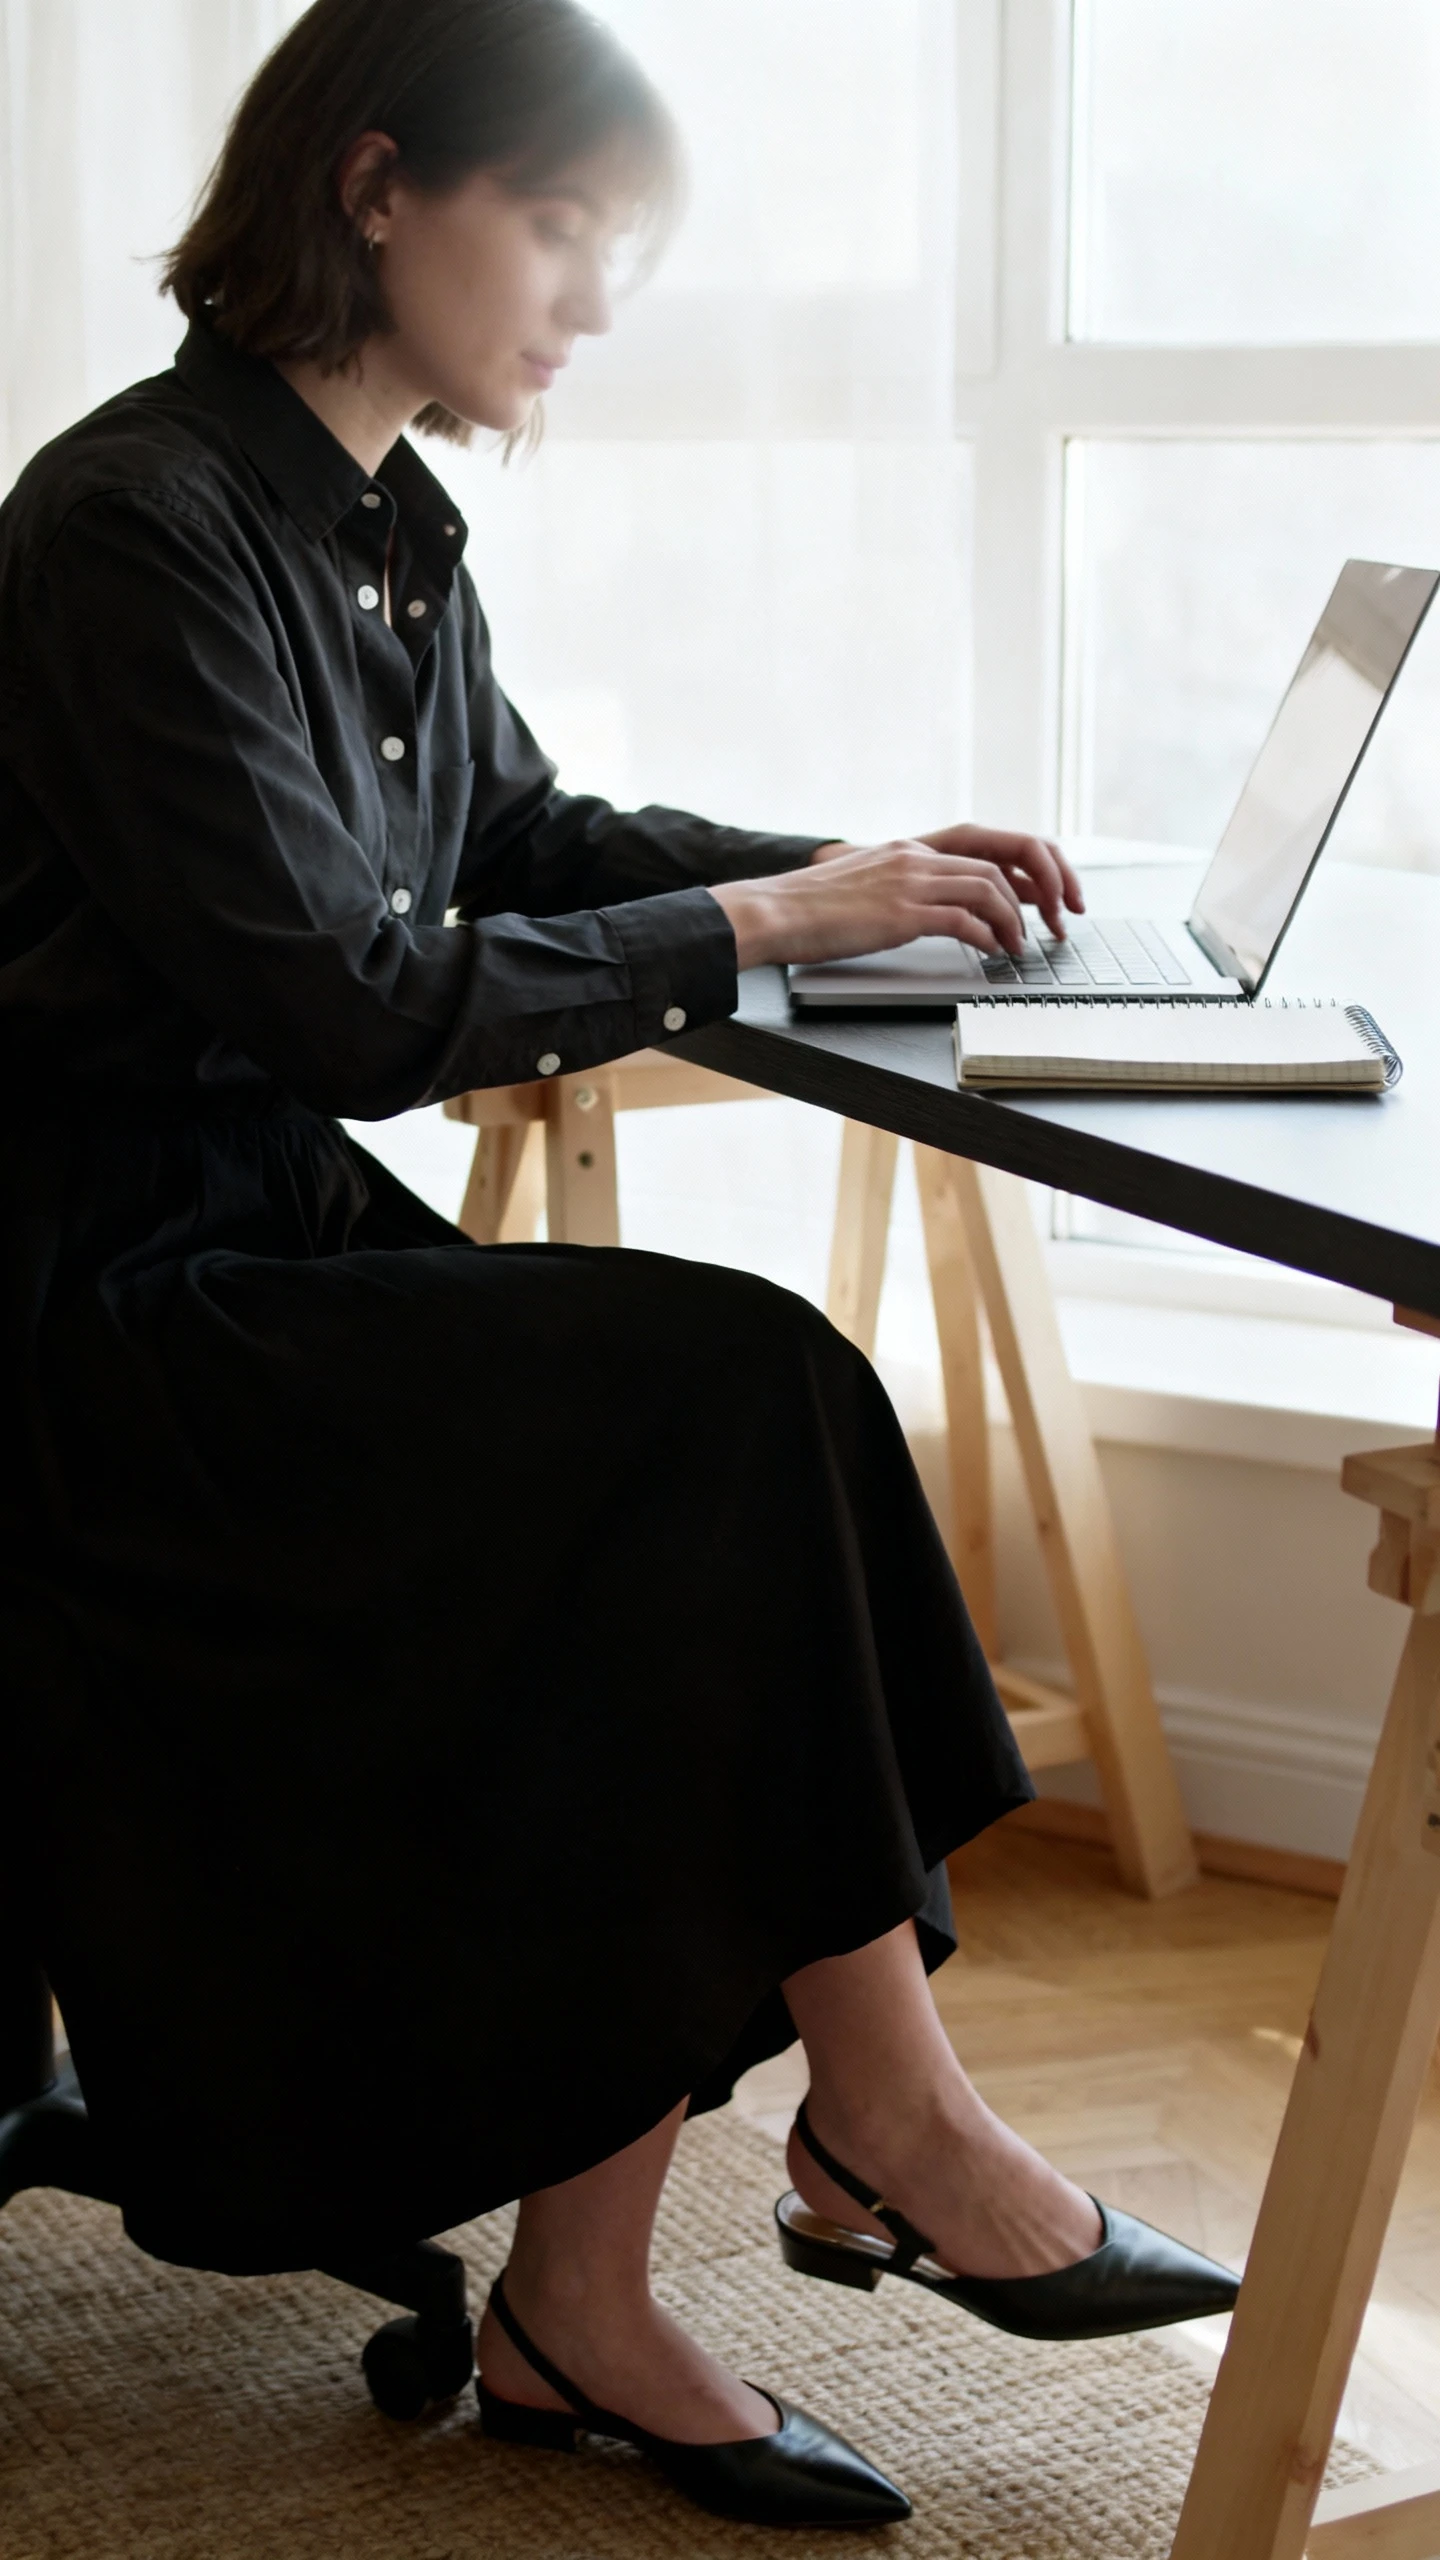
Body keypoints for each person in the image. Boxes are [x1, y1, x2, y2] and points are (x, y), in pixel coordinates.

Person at [0, 0, 1236, 2528]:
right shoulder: (133, 521)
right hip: (89, 1304)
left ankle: (651, 2257)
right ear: (375, 186)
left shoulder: (379, 525)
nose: (588, 296)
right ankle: (867, 2127)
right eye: (559, 226)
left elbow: (531, 834)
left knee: (721, 1421)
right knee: (715, 1406)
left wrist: (873, 879)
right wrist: (762, 913)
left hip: (243, 1247)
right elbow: (345, 988)